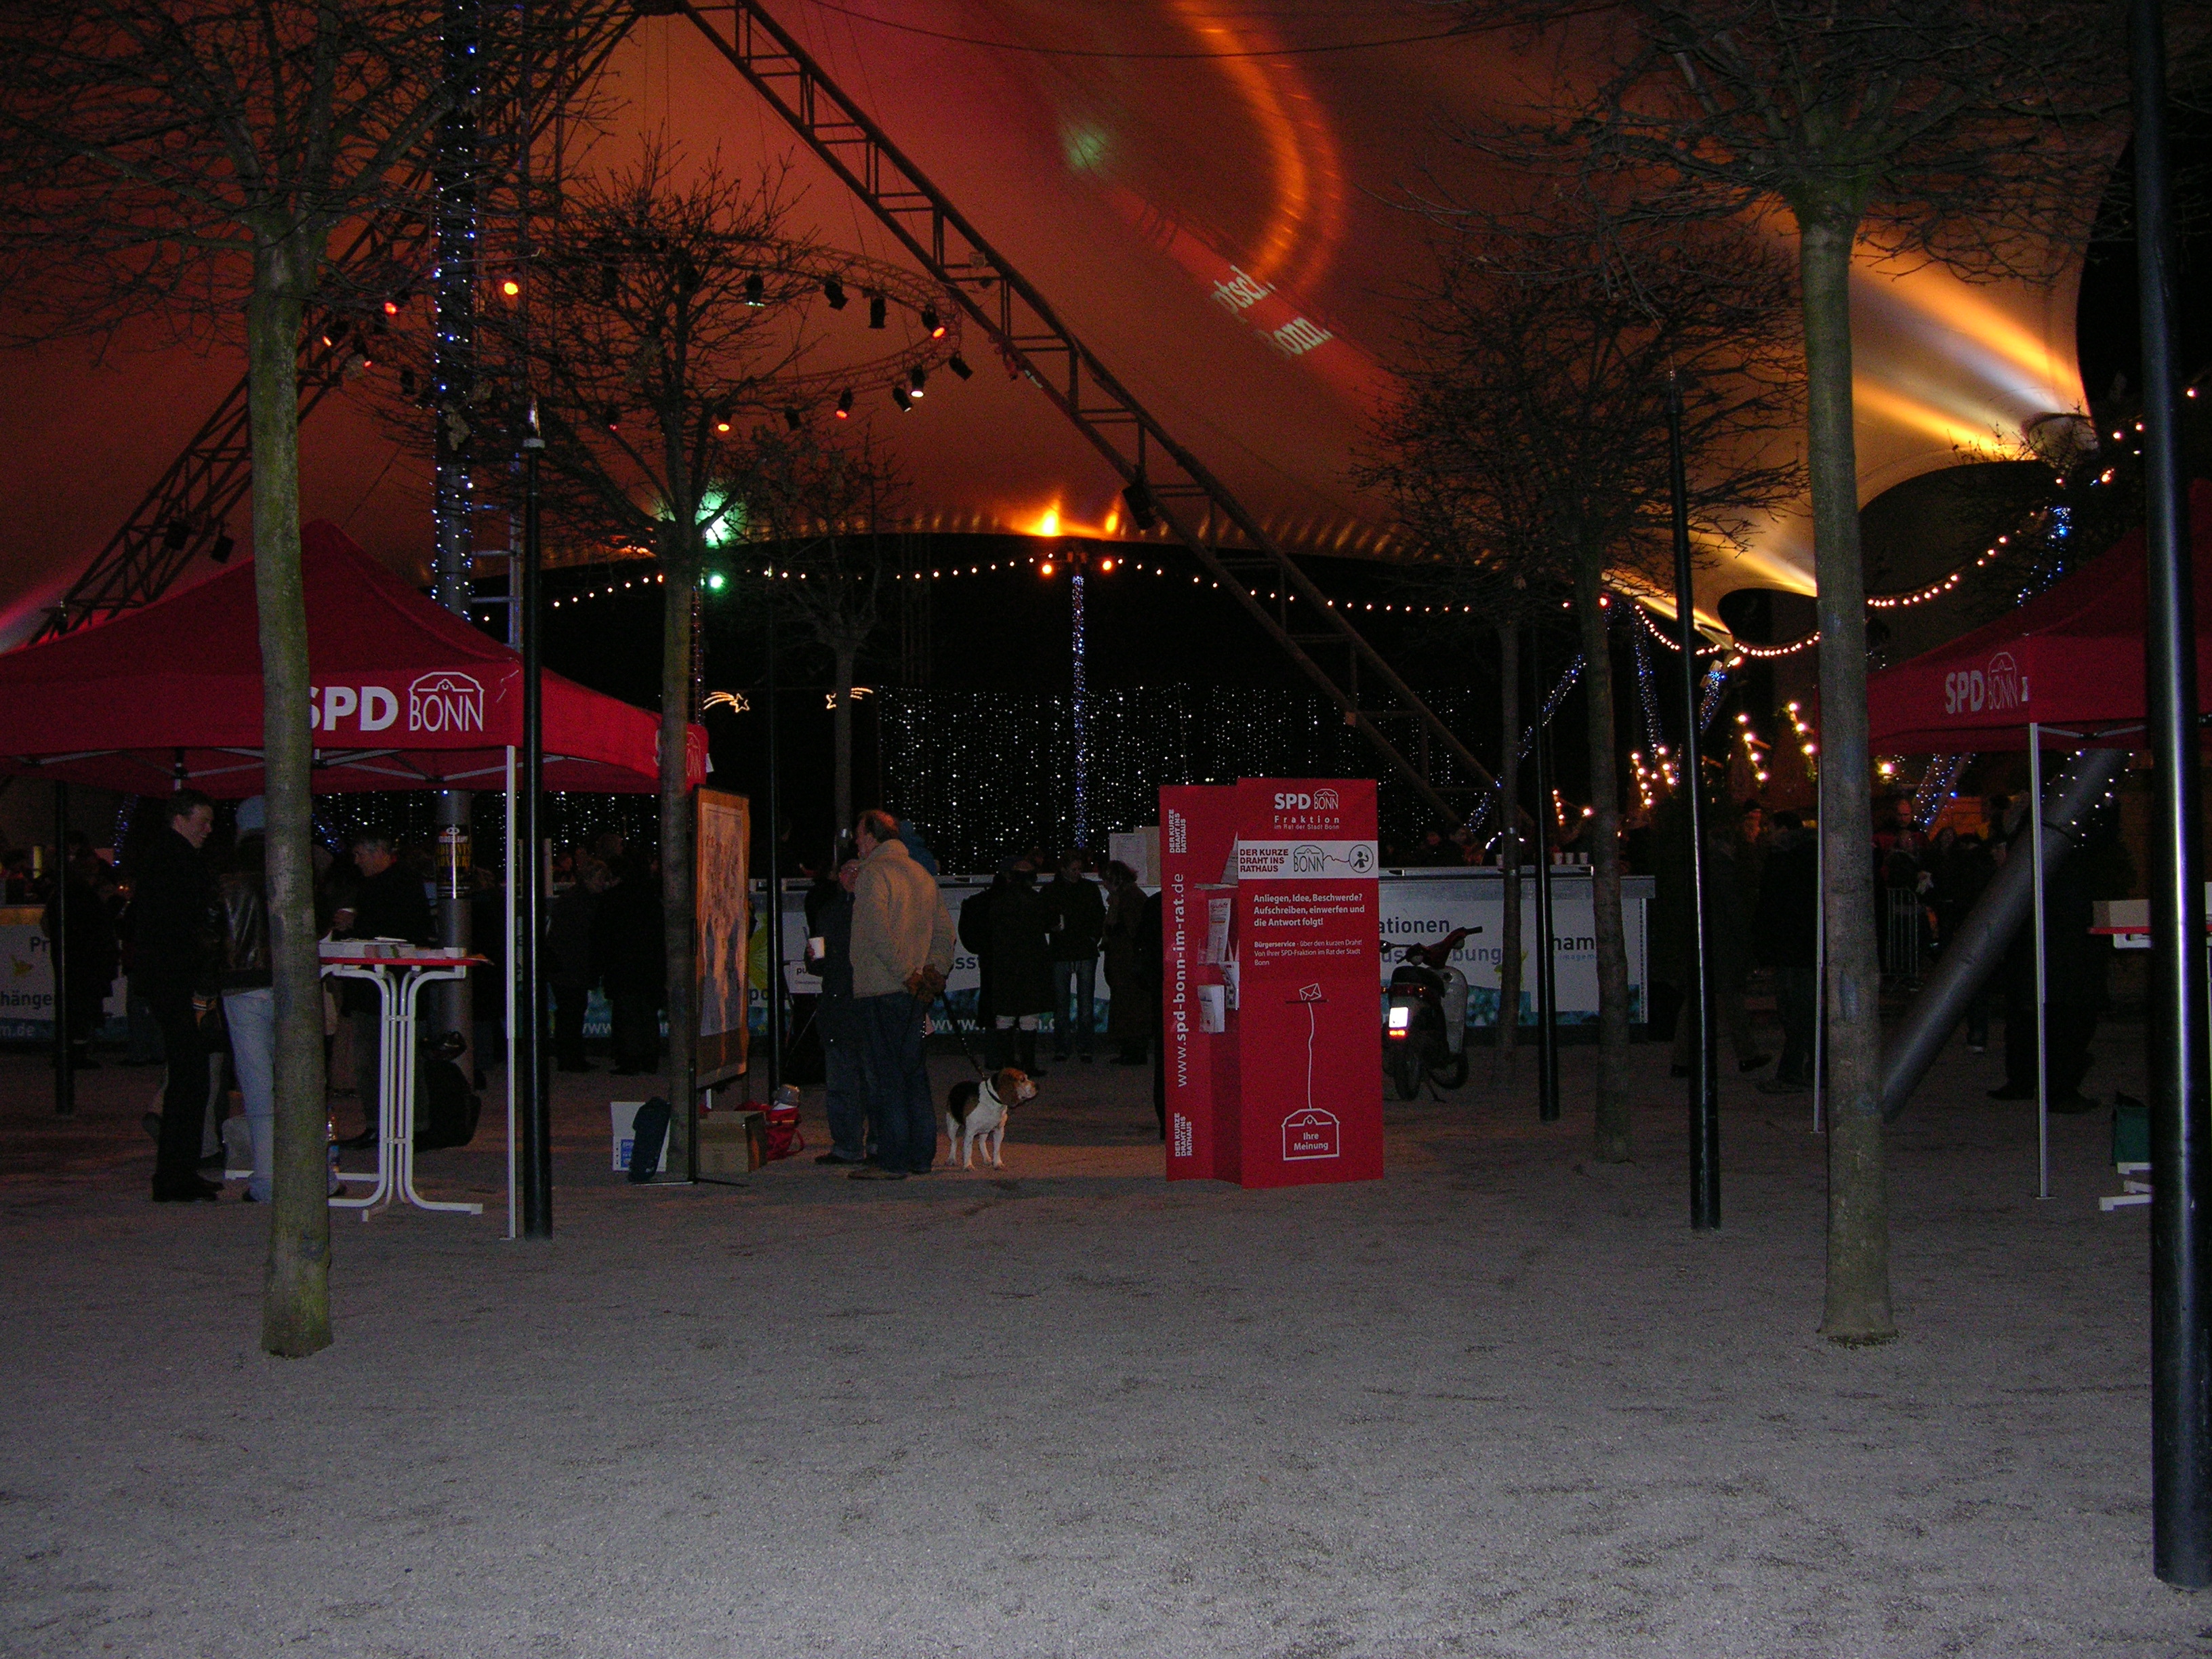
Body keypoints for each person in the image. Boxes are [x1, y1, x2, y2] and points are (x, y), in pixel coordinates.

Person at [847, 808, 954, 1181]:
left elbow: (877, 932)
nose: (856, 843)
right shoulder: (921, 874)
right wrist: (932, 973)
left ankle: (892, 1160)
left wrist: (907, 974)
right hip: (912, 993)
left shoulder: (874, 874)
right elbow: (945, 933)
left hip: (882, 989)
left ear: (872, 836)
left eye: (859, 835)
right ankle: (921, 1156)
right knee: (913, 1074)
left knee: (887, 1077)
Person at [133, 790, 223, 1201]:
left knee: (190, 1075)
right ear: (180, 819)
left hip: (168, 978)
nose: (209, 830)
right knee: (190, 1077)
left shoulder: (166, 857)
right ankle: (175, 1175)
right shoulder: (176, 860)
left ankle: (178, 1171)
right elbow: (184, 923)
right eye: (203, 822)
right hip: (175, 979)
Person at [332, 830, 435, 1147]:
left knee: (396, 1057)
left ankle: (408, 1125)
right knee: (371, 1059)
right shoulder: (382, 883)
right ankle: (382, 1123)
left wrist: (353, 924)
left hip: (392, 985)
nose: (357, 861)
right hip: (374, 986)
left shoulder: (399, 883)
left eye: (360, 855)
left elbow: (396, 931)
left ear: (379, 852)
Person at [216, 798, 275, 1203]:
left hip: (241, 982)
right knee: (298, 1080)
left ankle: (267, 1178)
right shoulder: (293, 862)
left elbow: (211, 927)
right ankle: (317, 1174)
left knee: (257, 1085)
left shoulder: (225, 868)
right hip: (288, 981)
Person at [807, 849, 869, 1166]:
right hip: (837, 1006)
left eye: (858, 870)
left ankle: (879, 1144)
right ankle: (846, 1145)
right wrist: (813, 958)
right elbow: (818, 962)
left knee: (873, 1082)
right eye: (846, 870)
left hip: (869, 1006)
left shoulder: (876, 909)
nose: (851, 877)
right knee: (841, 1084)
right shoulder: (829, 911)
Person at [1754, 811, 1819, 1093]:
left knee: (1796, 1008)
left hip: (1790, 943)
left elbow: (1771, 904)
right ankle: (1812, 1065)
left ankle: (1796, 1069)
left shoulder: (1783, 858)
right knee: (1803, 1006)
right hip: (1802, 942)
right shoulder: (1811, 856)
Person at [42, 852, 120, 1071]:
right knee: (82, 1008)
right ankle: (77, 1052)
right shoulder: (84, 897)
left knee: (68, 1006)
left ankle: (65, 1050)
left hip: (69, 959)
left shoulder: (62, 894)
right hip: (86, 961)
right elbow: (97, 928)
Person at [592, 855, 665, 1076]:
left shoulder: (614, 899)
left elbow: (602, 935)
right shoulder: (652, 898)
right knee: (647, 1012)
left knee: (627, 1013)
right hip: (648, 965)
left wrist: (602, 962)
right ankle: (649, 1058)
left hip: (622, 965)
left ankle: (630, 1058)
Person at [987, 861, 1054, 1075]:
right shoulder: (1037, 900)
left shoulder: (999, 901)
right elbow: (1052, 923)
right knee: (1029, 1016)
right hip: (1031, 964)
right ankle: (1028, 1064)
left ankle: (1009, 1064)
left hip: (1004, 964)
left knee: (1004, 1016)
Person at [1044, 855, 1105, 1064]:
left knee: (1082, 1005)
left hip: (1077, 949)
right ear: (1063, 869)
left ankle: (1080, 1047)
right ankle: (1068, 1046)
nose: (1078, 873)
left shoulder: (1085, 889)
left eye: (1079, 869)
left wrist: (1093, 937)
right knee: (1063, 1005)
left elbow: (1099, 916)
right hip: (1068, 950)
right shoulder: (1054, 890)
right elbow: (1043, 917)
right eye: (1074, 869)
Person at [546, 859, 607, 1071]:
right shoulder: (581, 902)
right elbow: (579, 938)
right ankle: (571, 1058)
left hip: (565, 966)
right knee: (571, 1012)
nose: (603, 884)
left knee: (569, 1012)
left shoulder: (572, 899)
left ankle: (570, 1057)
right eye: (600, 879)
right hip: (571, 966)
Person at [1102, 861, 1152, 1064]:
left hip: (1128, 962)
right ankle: (1131, 1050)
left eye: (1107, 880)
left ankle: (1134, 1051)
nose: (1104, 884)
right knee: (1130, 1006)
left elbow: (1133, 931)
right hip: (1126, 963)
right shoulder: (1130, 897)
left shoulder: (1130, 899)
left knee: (1131, 1008)